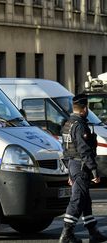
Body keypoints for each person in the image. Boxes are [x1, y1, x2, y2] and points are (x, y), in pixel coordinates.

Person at [59, 94, 107, 243]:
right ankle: (67, 234)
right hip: (81, 166)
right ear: (84, 109)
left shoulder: (68, 124)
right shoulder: (79, 125)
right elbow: (84, 149)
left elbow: (66, 150)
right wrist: (94, 171)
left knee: (85, 199)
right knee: (77, 199)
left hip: (73, 166)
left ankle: (93, 231)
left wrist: (69, 173)